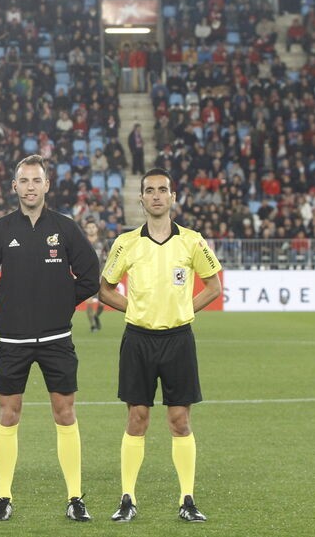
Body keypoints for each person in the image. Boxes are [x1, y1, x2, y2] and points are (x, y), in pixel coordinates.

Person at [0, 154, 100, 522]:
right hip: (12, 339)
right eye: (24, 181)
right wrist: (9, 300)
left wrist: (61, 301)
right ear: (15, 187)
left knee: (65, 413)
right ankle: (3, 497)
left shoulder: (65, 228)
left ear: (46, 185)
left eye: (36, 181)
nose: (30, 187)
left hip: (57, 338)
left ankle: (75, 498)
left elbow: (90, 276)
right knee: (8, 414)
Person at [98, 168, 221, 523]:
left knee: (180, 420)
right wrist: (133, 308)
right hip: (138, 339)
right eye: (149, 190)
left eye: (162, 190)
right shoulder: (126, 243)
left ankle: (187, 499)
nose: (156, 196)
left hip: (178, 339)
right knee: (137, 418)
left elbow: (213, 286)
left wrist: (185, 309)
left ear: (173, 197)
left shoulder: (193, 241)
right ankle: (127, 498)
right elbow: (105, 288)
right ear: (140, 198)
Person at [84, 219, 106, 332]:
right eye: (89, 227)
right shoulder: (82, 241)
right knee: (88, 302)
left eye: (93, 227)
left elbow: (109, 257)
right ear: (85, 229)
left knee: (102, 303)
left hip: (101, 276)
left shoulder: (103, 242)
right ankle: (93, 325)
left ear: (97, 229)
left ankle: (96, 316)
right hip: (87, 276)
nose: (91, 229)